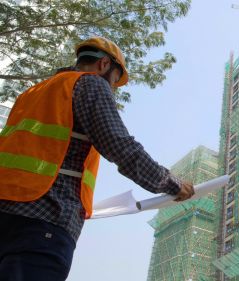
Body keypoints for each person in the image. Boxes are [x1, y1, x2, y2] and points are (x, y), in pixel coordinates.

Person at [0, 37, 194, 280]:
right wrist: (171, 183)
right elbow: (119, 145)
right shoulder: (89, 84)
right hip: (46, 215)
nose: (112, 88)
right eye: (114, 81)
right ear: (103, 64)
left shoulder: (32, 93)